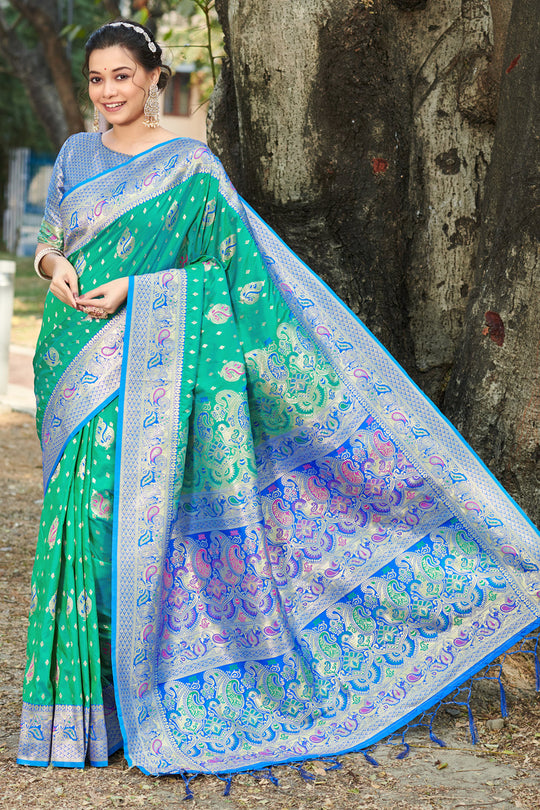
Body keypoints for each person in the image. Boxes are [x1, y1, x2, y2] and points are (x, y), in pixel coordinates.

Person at [18, 19, 540, 778]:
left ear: (154, 79)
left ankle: (136, 699)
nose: (106, 93)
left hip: (147, 367)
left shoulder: (191, 168)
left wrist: (140, 289)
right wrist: (46, 263)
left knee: (120, 526)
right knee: (79, 525)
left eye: (121, 78)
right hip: (71, 361)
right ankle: (83, 716)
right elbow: (52, 231)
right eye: (96, 79)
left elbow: (232, 273)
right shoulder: (74, 154)